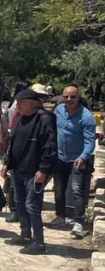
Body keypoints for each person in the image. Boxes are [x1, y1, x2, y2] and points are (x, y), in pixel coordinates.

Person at [2, 88, 57, 254]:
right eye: (17, 103)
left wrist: (43, 169)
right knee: (19, 203)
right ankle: (25, 235)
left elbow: (50, 146)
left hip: (34, 171)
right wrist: (6, 162)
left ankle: (38, 242)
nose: (18, 106)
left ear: (33, 103)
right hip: (18, 169)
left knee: (32, 206)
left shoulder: (44, 118)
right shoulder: (19, 117)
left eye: (21, 103)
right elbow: (12, 142)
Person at [52, 84, 96, 238]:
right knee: (58, 189)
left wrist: (83, 156)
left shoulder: (86, 117)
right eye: (66, 96)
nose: (69, 99)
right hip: (59, 157)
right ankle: (60, 216)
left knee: (77, 190)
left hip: (78, 159)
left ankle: (79, 222)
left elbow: (90, 141)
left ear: (78, 97)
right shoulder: (58, 110)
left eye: (73, 96)